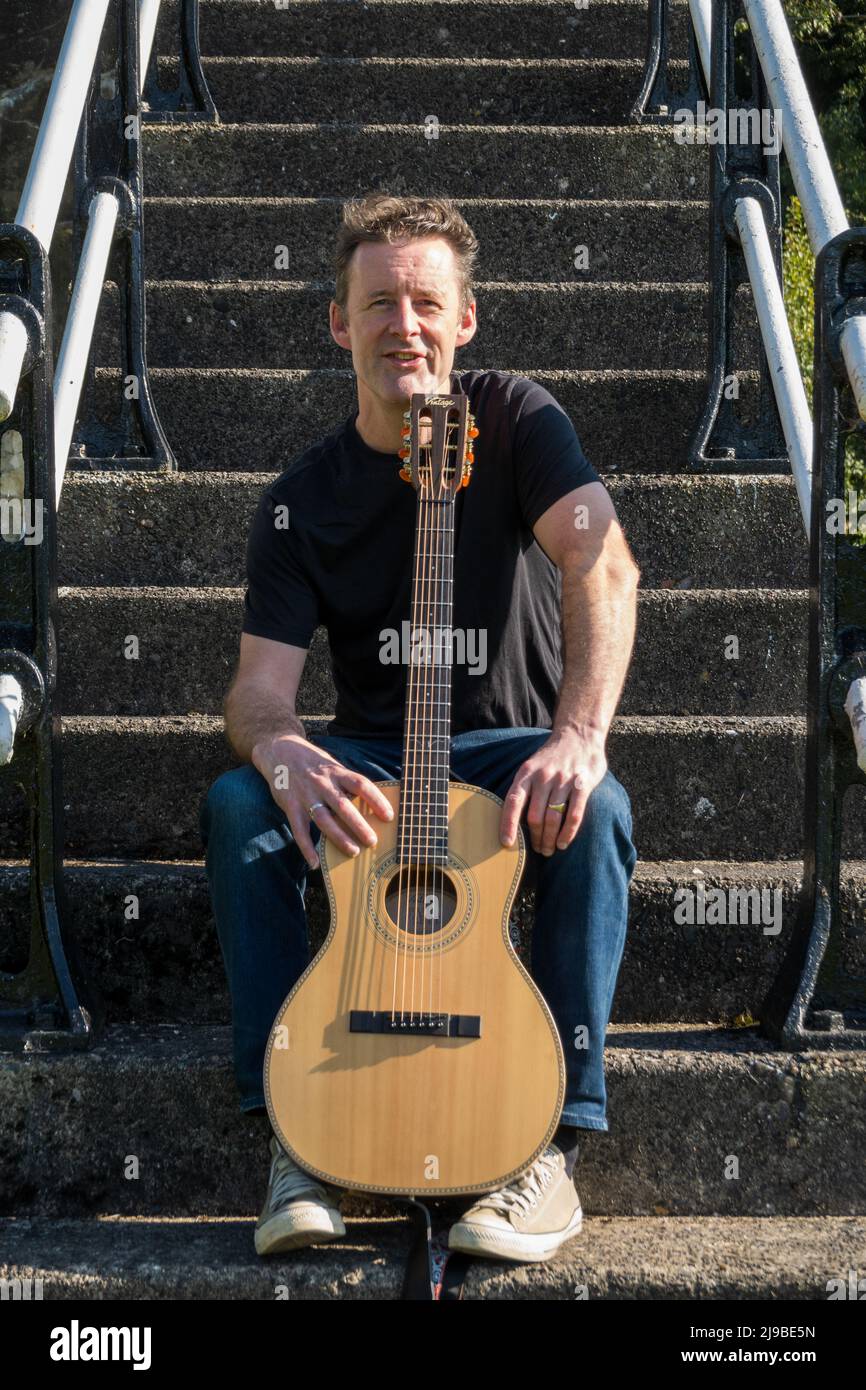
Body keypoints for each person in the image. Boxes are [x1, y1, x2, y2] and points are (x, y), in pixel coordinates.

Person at [199, 193, 640, 1265]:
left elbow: (602, 561)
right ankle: (293, 1141)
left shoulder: (521, 419)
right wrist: (281, 746)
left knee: (599, 808)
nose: (405, 323)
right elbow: (257, 691)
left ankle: (553, 1143)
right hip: (371, 757)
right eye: (379, 301)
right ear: (338, 324)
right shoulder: (299, 499)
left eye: (425, 301)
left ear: (465, 319)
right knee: (237, 805)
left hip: (504, 744)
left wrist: (577, 733)